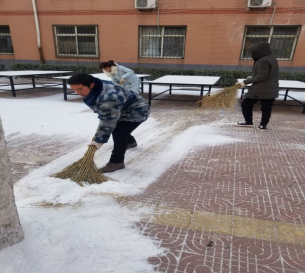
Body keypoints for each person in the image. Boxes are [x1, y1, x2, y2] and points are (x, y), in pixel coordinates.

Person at [67, 73, 150, 173]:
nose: (77, 92)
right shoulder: (96, 85)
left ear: (91, 85)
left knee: (119, 133)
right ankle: (130, 142)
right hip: (123, 108)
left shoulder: (108, 98)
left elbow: (108, 121)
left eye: (80, 89)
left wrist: (99, 140)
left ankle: (116, 162)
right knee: (120, 128)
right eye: (74, 89)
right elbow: (107, 114)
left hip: (138, 110)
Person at [237, 41, 279, 131]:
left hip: (260, 88)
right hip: (271, 88)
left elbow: (261, 76)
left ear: (259, 51)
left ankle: (248, 121)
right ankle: (263, 125)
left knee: (246, 104)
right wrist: (252, 77)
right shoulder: (271, 58)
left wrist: (245, 81)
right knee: (266, 108)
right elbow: (265, 73)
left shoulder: (263, 60)